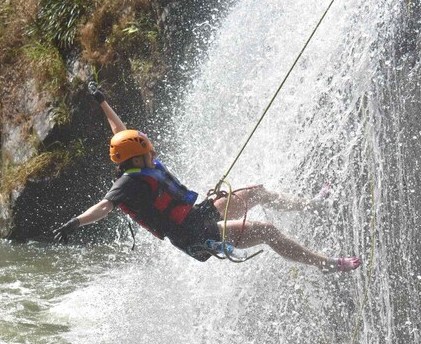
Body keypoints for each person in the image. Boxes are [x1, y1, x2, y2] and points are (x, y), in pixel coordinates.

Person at [52, 82, 362, 272]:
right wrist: (75, 223)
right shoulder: (128, 184)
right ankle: (327, 265)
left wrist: (101, 101)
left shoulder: (136, 161)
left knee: (258, 192)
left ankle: (311, 206)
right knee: (267, 231)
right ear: (137, 156)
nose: (153, 151)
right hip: (194, 235)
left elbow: (120, 133)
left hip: (197, 215)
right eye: (148, 149)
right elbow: (104, 207)